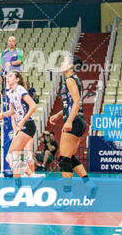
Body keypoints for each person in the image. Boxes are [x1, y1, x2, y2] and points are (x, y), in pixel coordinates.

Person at [49, 57, 97, 197]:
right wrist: (59, 115)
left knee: (64, 159)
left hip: (75, 121)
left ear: (71, 66)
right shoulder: (71, 80)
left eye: (64, 61)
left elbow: (77, 102)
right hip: (78, 120)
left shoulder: (70, 80)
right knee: (70, 157)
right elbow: (70, 103)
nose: (61, 64)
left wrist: (68, 121)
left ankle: (67, 194)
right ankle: (89, 184)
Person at [0, 72, 37, 177]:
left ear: (17, 79)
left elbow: (33, 106)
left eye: (10, 76)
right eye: (7, 76)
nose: (8, 78)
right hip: (22, 127)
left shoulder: (20, 89)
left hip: (28, 125)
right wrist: (3, 115)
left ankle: (30, 175)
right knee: (11, 158)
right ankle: (22, 182)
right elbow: (12, 111)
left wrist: (22, 122)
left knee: (12, 157)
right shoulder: (10, 93)